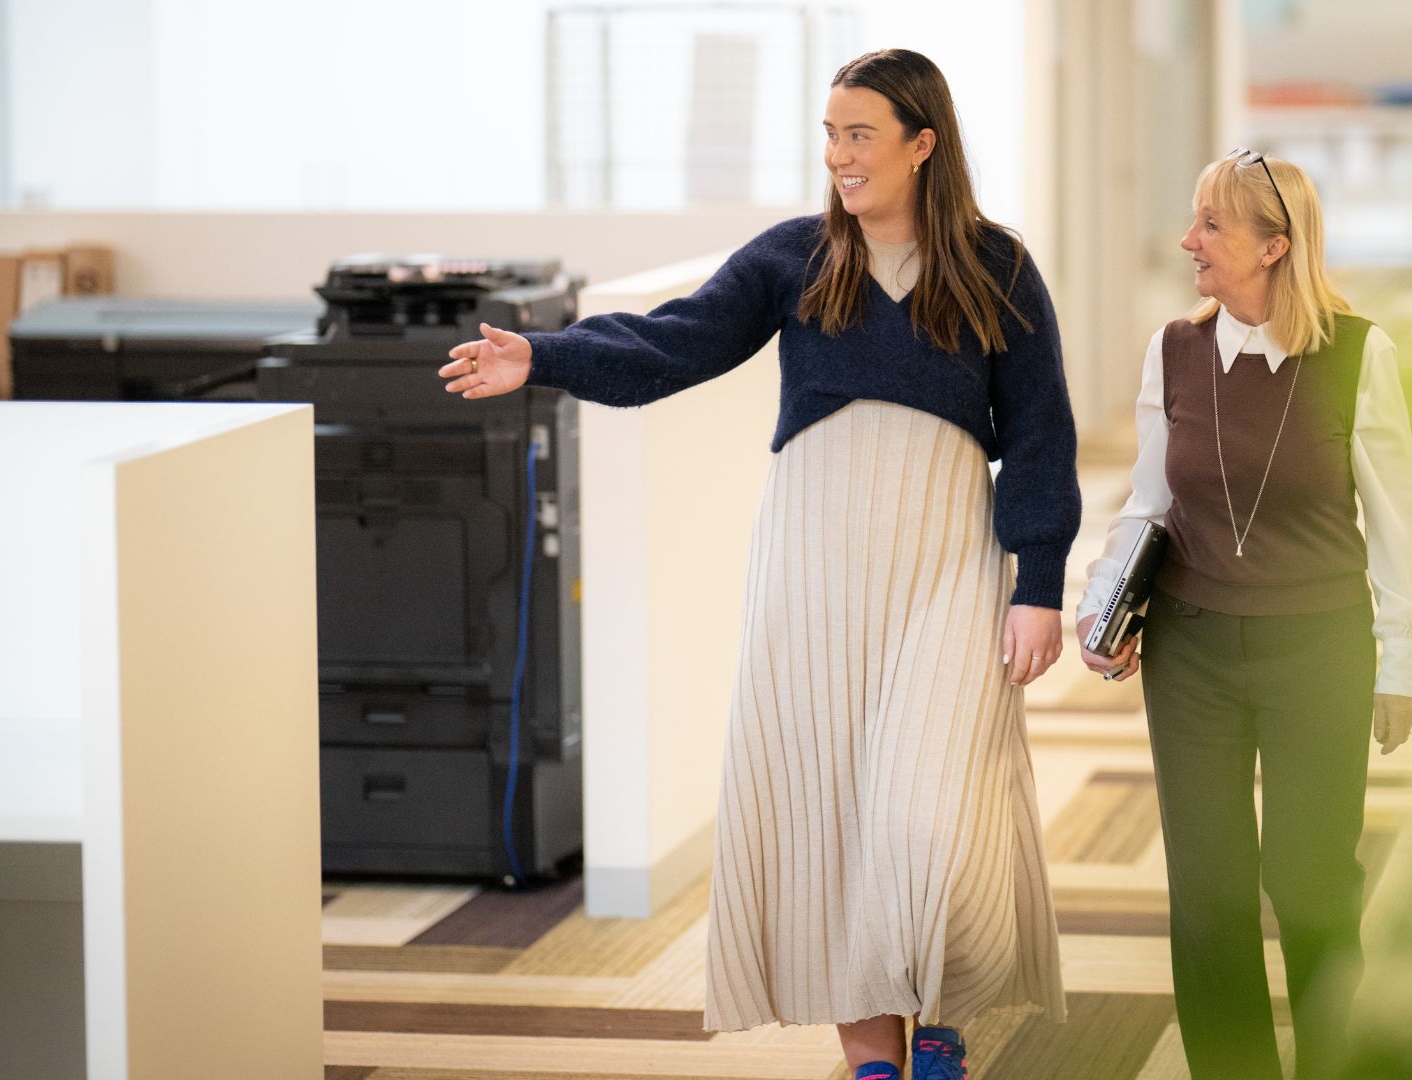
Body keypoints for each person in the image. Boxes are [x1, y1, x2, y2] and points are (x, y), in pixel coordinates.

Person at [440, 48, 1076, 1080]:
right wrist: (541, 356)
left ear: (923, 144)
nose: (838, 155)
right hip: (813, 565)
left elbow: (1041, 432)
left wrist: (1039, 582)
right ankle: (876, 1055)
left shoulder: (996, 267)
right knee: (825, 805)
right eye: (828, 133)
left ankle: (943, 1004)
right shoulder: (794, 258)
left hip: (947, 561)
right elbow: (671, 345)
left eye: (858, 134)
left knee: (936, 810)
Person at [1074, 148, 1412, 1080]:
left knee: (1310, 887)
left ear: (1275, 246)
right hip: (1192, 648)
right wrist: (1102, 606)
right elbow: (1148, 501)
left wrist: (1400, 664)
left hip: (1319, 650)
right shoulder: (1175, 351)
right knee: (1210, 894)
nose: (1188, 240)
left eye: (1211, 226)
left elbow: (1398, 525)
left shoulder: (1360, 355)